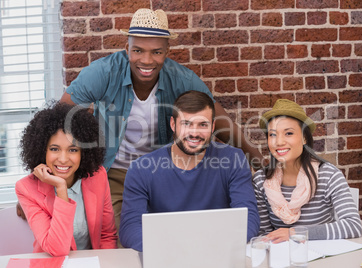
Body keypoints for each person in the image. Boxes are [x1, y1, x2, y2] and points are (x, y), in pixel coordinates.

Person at [58, 8, 264, 233]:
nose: (146, 61)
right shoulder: (104, 72)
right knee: (122, 236)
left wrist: (262, 165)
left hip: (162, 170)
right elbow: (59, 119)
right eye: (138, 50)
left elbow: (221, 122)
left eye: (156, 52)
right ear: (127, 49)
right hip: (116, 170)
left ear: (167, 51)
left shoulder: (181, 79)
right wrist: (37, 184)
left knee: (172, 232)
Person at [119, 91, 260, 251]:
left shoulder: (234, 160)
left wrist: (211, 248)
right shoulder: (141, 169)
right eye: (187, 124)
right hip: (165, 257)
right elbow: (130, 228)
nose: (194, 133)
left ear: (213, 126)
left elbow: (248, 218)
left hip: (218, 253)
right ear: (173, 125)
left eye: (203, 125)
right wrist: (172, 251)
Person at [15, 102, 117, 256]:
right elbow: (57, 249)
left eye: (73, 150)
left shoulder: (97, 176)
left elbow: (107, 235)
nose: (63, 159)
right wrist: (61, 188)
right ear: (42, 150)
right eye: (54, 149)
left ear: (84, 152)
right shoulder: (26, 188)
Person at [253, 99, 362, 243]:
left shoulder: (328, 175)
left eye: (289, 133)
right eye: (272, 134)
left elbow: (353, 225)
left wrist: (295, 233)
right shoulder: (261, 180)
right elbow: (264, 234)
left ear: (304, 138)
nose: (278, 142)